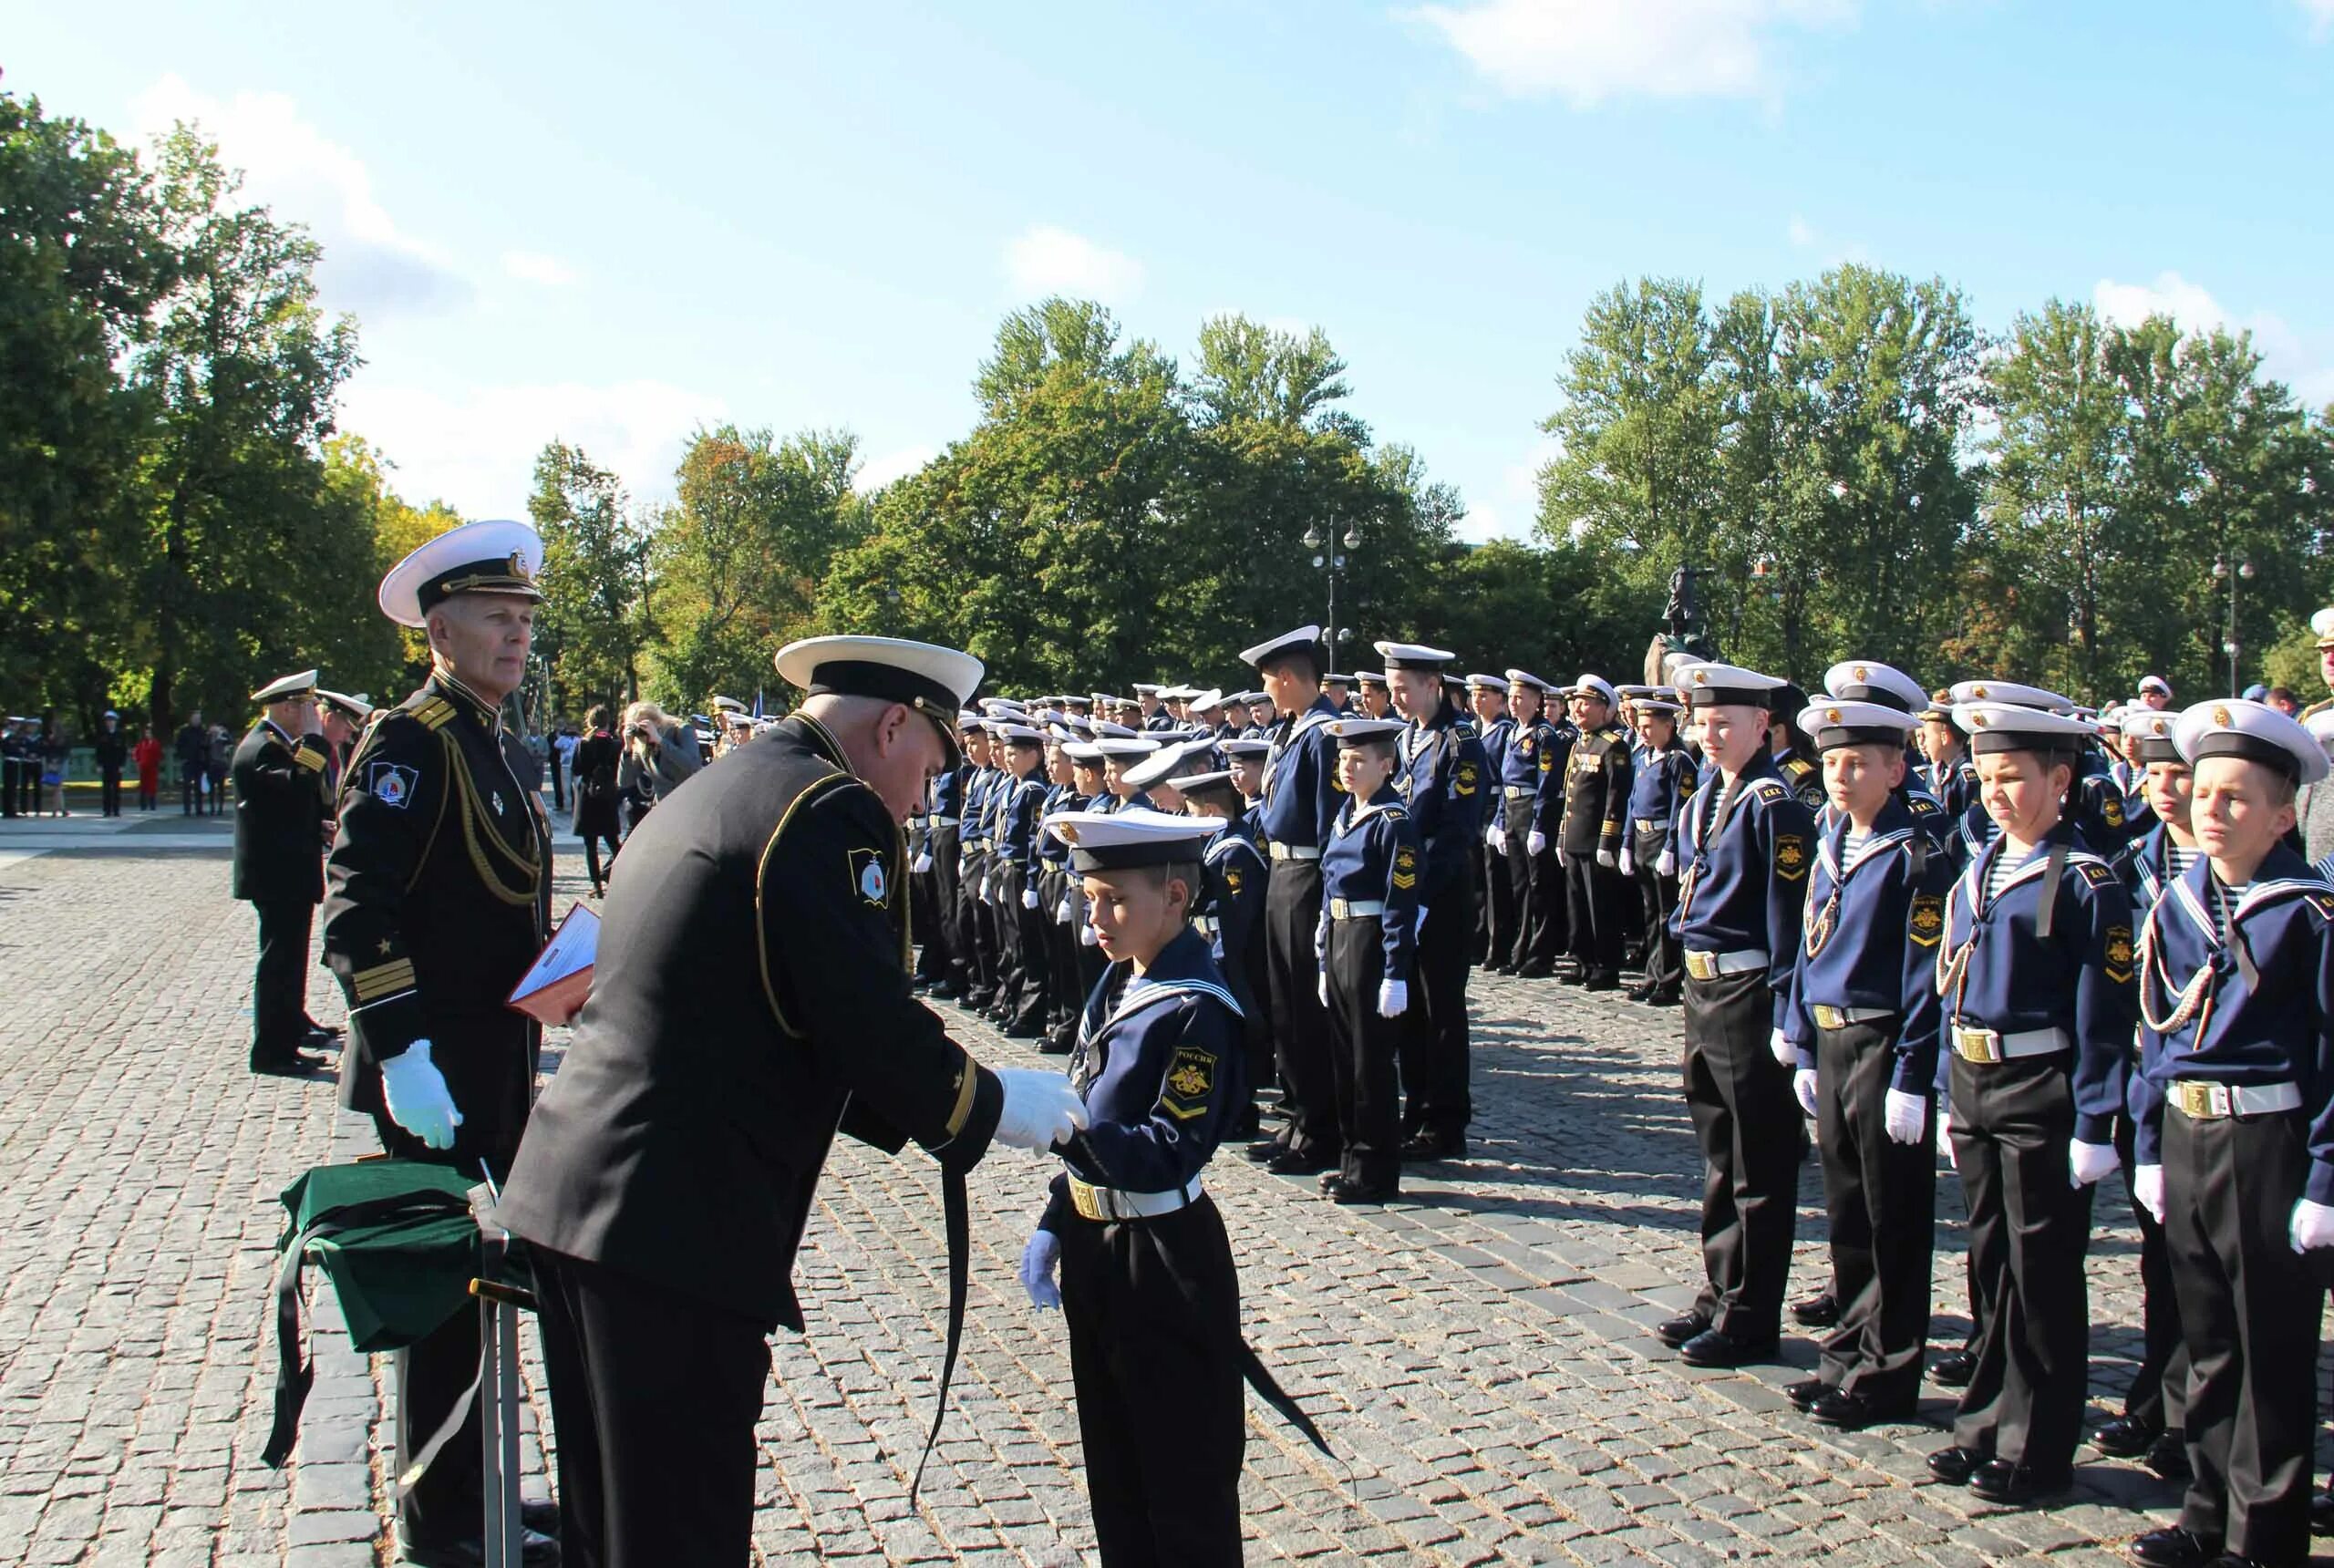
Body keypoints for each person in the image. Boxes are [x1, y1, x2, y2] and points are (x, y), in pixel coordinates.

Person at [501, 634, 1083, 1568]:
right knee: (678, 1535)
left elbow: (765, 1013)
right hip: (673, 1225)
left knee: (611, 1529)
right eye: (927, 769)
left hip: (589, 1203)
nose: (920, 799)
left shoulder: (723, 783)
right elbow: (859, 1015)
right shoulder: (827, 808)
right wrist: (988, 1104)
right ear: (892, 726)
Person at [321, 520, 561, 1567]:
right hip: (434, 1072)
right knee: (446, 1306)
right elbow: (356, 907)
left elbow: (491, 905)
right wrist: (399, 1049)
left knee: (488, 1287)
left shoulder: (491, 740)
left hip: (493, 1063)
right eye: (495, 619)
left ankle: (484, 1493)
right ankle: (441, 1520)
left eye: (523, 621)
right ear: (441, 629)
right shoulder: (414, 739)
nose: (515, 638)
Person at [2125, 700, 2334, 1568]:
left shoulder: (2309, 915)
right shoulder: (2178, 901)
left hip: (2268, 1143)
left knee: (2270, 1345)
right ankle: (2206, 1508)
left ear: (2284, 815)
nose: (2211, 811)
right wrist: (2145, 1143)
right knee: (2206, 1339)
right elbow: (2156, 1036)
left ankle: (2266, 1532)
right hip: (2189, 1134)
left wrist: (2324, 1180)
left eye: (2236, 799)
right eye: (2204, 794)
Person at [1017, 808, 1248, 1567]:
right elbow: (1094, 1100)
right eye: (1091, 901)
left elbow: (1166, 1150)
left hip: (1162, 1256)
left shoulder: (1194, 1008)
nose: (1097, 920)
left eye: (1115, 899)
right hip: (1099, 1245)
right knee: (1116, 1471)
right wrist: (1060, 1214)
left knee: (1181, 1483)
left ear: (1176, 898)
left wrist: (1064, 1133)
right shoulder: (1123, 979)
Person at [1925, 696, 2134, 1506]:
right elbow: (1955, 984)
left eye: (2013, 778)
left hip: (2042, 1087)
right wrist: (1950, 1089)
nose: (1996, 793)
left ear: (2061, 778)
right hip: (1978, 1082)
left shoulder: (2086, 879)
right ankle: (1983, 1424)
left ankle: (2039, 1446)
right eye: (1984, 778)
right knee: (1990, 1266)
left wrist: (2094, 1117)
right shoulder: (1982, 863)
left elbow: (2102, 1010)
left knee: (2043, 1275)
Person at [1777, 698, 1954, 1429]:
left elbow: (1924, 975)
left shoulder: (1920, 854)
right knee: (1847, 1210)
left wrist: (1914, 1074)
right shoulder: (1830, 838)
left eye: (1859, 764)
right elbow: (1806, 943)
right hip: (1834, 1035)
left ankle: (1889, 1370)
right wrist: (1799, 1031)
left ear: (1896, 768)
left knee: (1893, 1217)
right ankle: (1847, 1351)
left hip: (1884, 1042)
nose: (1841, 776)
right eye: (1833, 763)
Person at [1658, 661, 1814, 1369]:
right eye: (1704, 720)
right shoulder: (1709, 795)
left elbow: (1788, 921)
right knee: (1721, 1154)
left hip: (1750, 995)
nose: (1711, 732)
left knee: (1758, 1162)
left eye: (1727, 722)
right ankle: (1721, 1290)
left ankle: (1751, 1314)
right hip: (1704, 989)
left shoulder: (1773, 804)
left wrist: (1789, 1016)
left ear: (1763, 726)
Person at [1377, 639, 1488, 1161]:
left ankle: (1445, 1121)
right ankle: (1416, 1107)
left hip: (1440, 898)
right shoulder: (1406, 739)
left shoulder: (1459, 743)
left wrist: (1421, 898)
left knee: (1441, 1008)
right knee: (1410, 1013)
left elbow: (1455, 831)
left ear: (1431, 685)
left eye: (1402, 689)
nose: (1394, 699)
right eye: (1390, 689)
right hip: (1406, 894)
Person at [1243, 625, 1345, 1175]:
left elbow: (1331, 826)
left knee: (1308, 1009)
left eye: (1268, 681)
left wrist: (1329, 904)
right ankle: (1299, 1115)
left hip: (1307, 874)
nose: (1267, 692)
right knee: (1285, 1005)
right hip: (1282, 871)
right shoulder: (1294, 731)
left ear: (1287, 677)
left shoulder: (1324, 735)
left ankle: (1321, 1129)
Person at [1315, 717, 1421, 1202]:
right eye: (1343, 759)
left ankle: (1376, 1171)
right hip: (1339, 935)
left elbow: (1400, 901)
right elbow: (1329, 884)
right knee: (1341, 1059)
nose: (1349, 768)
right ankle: (1350, 1161)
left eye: (1359, 761)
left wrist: (1396, 971)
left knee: (1371, 1065)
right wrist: (1322, 956)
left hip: (1369, 941)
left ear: (1386, 765)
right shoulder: (1345, 814)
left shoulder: (1393, 821)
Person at [232, 670, 334, 1078]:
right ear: (289, 707)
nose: (313, 715)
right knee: (279, 964)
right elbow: (296, 786)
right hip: (277, 876)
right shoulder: (262, 748)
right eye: (307, 707)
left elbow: (289, 810)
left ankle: (288, 1034)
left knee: (290, 961)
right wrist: (314, 741)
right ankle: (271, 1051)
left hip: (287, 873)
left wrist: (316, 828)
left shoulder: (275, 745)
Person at [1556, 675, 1634, 991]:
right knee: (1576, 904)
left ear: (1606, 710)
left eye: (1586, 703)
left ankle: (1606, 964)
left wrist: (1608, 840)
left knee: (1600, 905)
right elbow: (1570, 795)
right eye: (1576, 702)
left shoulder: (1613, 746)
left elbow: (1616, 797)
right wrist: (1562, 836)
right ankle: (1583, 959)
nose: (1578, 708)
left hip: (1596, 839)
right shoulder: (1580, 743)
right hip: (1575, 836)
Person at [1495, 671, 1567, 977]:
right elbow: (1504, 778)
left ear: (1537, 701)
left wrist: (1539, 824)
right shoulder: (1513, 732)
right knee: (1520, 886)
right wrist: (1500, 820)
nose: (1514, 702)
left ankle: (1541, 953)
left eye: (1520, 697)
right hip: (1512, 808)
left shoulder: (1544, 735)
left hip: (1531, 810)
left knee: (1539, 887)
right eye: (1511, 696)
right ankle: (1521, 948)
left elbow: (1547, 782)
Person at [1622, 694, 1692, 1006]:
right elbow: (1632, 803)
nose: (1643, 732)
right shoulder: (1644, 757)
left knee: (1666, 915)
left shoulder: (1679, 760)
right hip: (1641, 838)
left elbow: (1681, 807)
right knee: (1651, 913)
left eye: (1649, 726)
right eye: (1640, 726)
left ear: (1669, 726)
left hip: (1662, 839)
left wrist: (1671, 847)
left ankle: (1668, 979)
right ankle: (1652, 975)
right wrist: (1625, 842)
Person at [570, 707, 625, 898]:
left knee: (590, 845)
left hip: (589, 796)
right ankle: (620, 878)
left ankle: (597, 885)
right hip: (608, 795)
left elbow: (576, 769)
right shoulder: (615, 744)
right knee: (614, 843)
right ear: (608, 722)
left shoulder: (584, 743)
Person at [93, 711, 128, 817]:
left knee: (116, 788)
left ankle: (116, 809)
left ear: (115, 722)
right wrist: (99, 764)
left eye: (112, 721)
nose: (110, 723)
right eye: (108, 721)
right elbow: (99, 751)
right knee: (106, 788)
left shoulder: (120, 735)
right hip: (106, 765)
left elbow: (123, 751)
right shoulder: (102, 734)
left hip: (117, 765)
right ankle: (107, 810)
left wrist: (122, 765)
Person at [174, 710, 208, 815]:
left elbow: (206, 746)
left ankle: (199, 808)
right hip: (188, 761)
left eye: (199, 719)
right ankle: (187, 809)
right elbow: (179, 746)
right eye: (195, 718)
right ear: (191, 719)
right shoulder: (184, 731)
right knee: (187, 785)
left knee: (198, 786)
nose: (197, 721)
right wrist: (183, 756)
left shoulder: (202, 731)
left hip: (199, 761)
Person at [132, 724, 162, 812]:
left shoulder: (156, 743)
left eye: (149, 733)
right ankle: (143, 805)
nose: (148, 735)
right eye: (146, 733)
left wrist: (156, 763)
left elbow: (158, 755)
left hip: (152, 767)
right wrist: (138, 762)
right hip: (143, 767)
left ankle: (152, 804)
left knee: (152, 786)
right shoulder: (141, 743)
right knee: (143, 786)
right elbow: (136, 753)